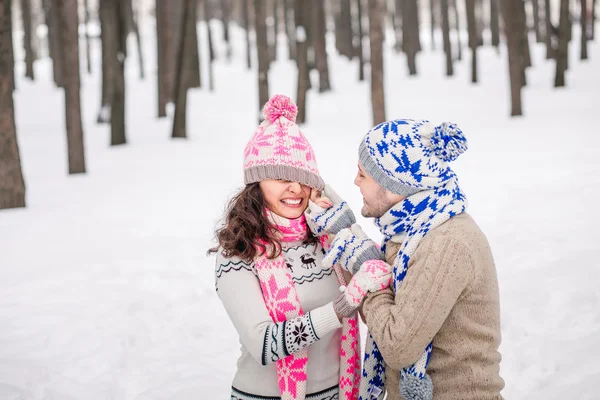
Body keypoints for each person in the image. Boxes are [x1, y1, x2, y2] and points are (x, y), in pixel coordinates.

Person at [306, 119, 505, 400]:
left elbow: (397, 346)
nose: (355, 181)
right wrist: (345, 233)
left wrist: (366, 267)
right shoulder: (410, 234)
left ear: (395, 184)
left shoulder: (444, 243)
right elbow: (380, 315)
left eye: (363, 174)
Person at [209, 95, 367, 400]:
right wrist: (340, 307)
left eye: (303, 179)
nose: (295, 188)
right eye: (282, 177)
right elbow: (265, 344)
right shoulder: (238, 251)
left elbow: (373, 274)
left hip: (340, 394)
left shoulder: (325, 238)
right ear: (257, 183)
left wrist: (339, 216)